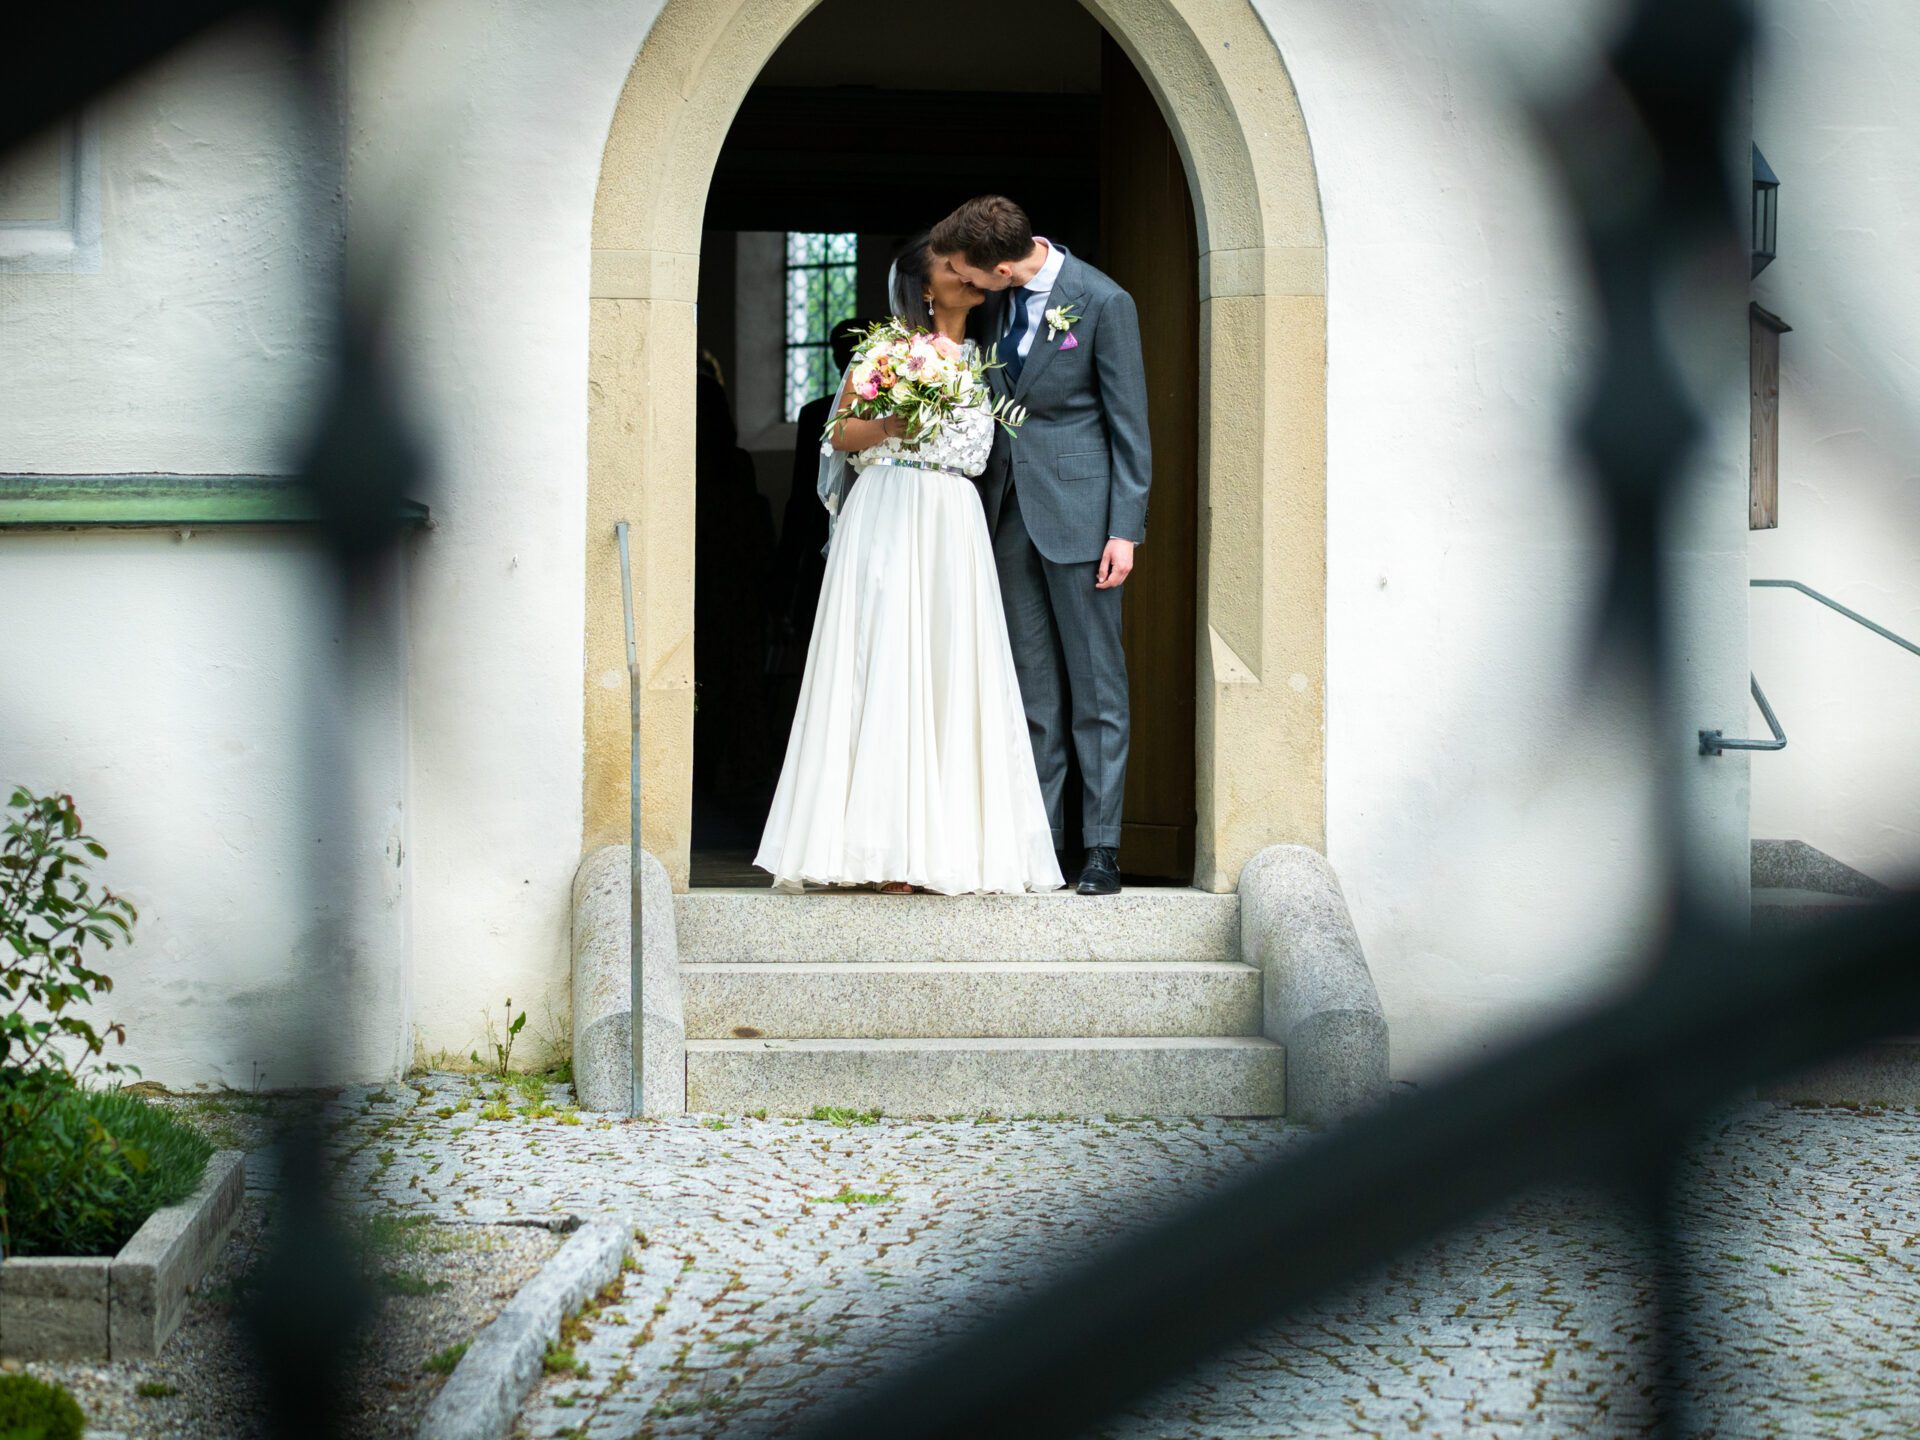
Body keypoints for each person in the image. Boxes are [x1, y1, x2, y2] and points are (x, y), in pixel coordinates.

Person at [753, 235, 1063, 896]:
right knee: (889, 658)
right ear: (926, 287)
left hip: (953, 518)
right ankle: (882, 848)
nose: (966, 275)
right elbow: (839, 435)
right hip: (891, 507)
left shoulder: (990, 361)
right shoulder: (890, 350)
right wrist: (896, 419)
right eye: (952, 268)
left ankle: (954, 845)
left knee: (952, 664)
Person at [931, 196, 1151, 897]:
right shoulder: (995, 303)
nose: (966, 285)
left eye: (971, 274)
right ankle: (1041, 844)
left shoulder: (1104, 301)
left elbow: (1129, 427)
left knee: (1095, 688)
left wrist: (1126, 529)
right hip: (1004, 516)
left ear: (1002, 266)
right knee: (1029, 689)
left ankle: (1102, 848)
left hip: (1085, 520)